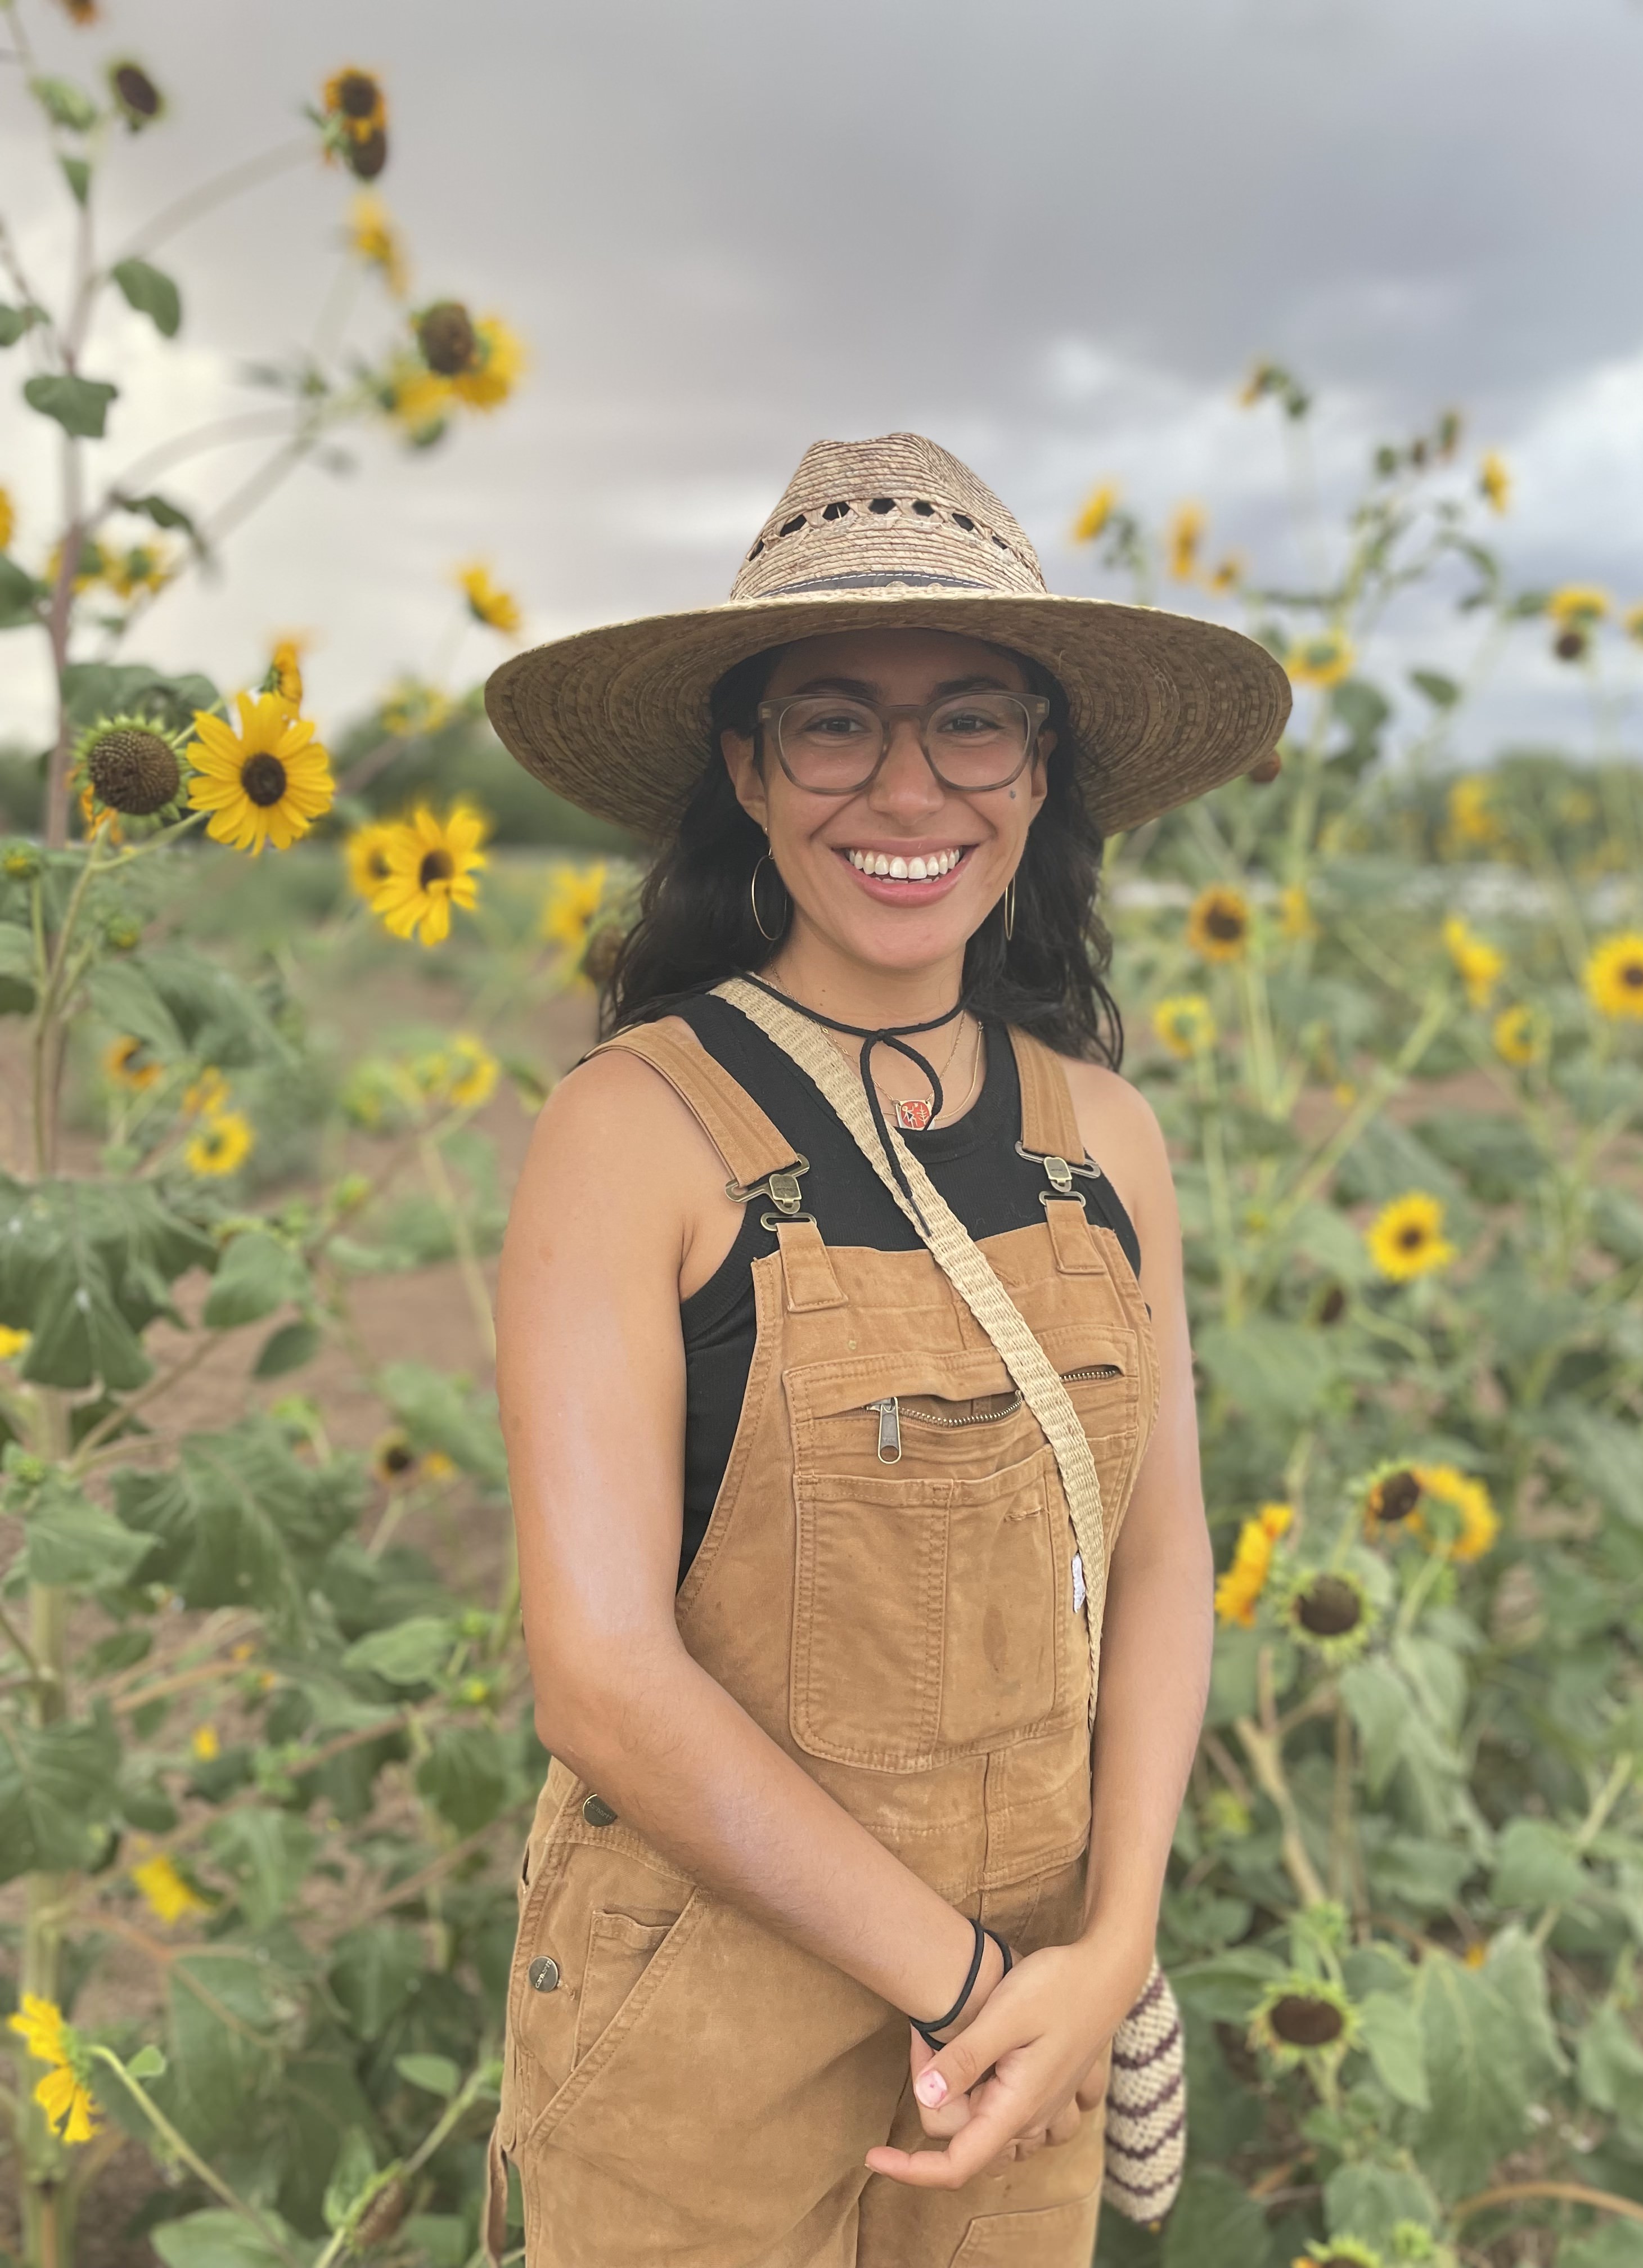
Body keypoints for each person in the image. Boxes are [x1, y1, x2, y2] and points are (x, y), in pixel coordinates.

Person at [480, 433, 1288, 2267]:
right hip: (713, 2022)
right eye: (835, 723)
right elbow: (601, 1678)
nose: (906, 785)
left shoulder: (1108, 1137)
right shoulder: (635, 1128)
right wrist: (974, 1978)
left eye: (973, 723)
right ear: (750, 772)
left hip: (1026, 2037)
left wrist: (1118, 1948)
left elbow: (1163, 1557)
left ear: (1042, 766)